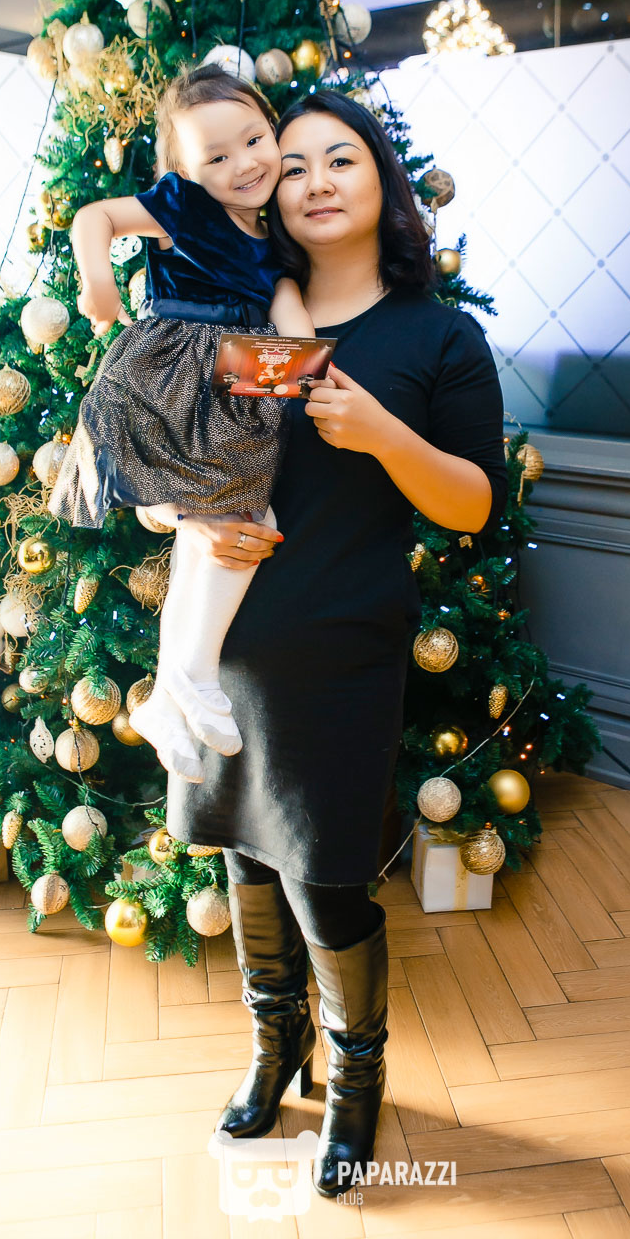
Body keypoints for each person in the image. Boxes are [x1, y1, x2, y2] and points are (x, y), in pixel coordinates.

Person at [168, 90, 509, 1198]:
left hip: (342, 649)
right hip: (228, 644)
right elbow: (171, 454)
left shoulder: (437, 336)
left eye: (340, 159)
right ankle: (276, 1049)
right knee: (241, 856)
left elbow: (472, 504)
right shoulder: (236, 310)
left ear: (380, 182)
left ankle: (356, 1077)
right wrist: (175, 512)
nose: (313, 180)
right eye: (294, 163)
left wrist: (382, 432)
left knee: (323, 875)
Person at [47, 64, 313, 780]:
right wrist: (98, 281)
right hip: (167, 371)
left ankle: (171, 694)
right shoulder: (181, 206)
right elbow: (95, 217)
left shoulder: (273, 240)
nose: (243, 164)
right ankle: (189, 677)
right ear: (186, 172)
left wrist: (309, 365)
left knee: (233, 520)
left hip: (232, 379)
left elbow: (292, 322)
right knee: (236, 519)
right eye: (216, 157)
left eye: (253, 140)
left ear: (272, 129)